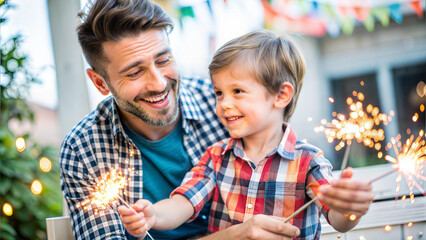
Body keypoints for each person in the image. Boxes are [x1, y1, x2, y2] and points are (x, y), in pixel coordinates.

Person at [60, 0, 302, 239]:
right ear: (100, 83)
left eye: (163, 60)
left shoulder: (225, 105)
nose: (159, 83)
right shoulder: (83, 148)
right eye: (134, 72)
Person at [118, 30, 375, 240]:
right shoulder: (217, 157)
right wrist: (153, 215)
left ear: (281, 95)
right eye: (219, 93)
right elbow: (184, 203)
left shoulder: (309, 162)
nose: (223, 104)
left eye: (237, 91)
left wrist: (350, 209)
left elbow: (339, 221)